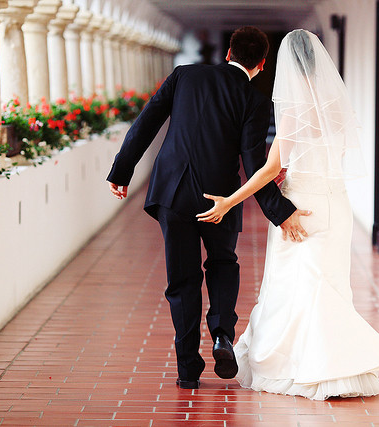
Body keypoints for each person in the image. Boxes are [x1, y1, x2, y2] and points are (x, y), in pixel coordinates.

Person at [197, 29, 379, 400]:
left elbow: (267, 170)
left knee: (294, 283)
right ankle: (337, 363)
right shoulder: (338, 106)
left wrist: (229, 200)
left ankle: (302, 366)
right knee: (330, 282)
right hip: (334, 204)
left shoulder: (293, 112)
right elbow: (333, 158)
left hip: (300, 207)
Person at [106, 26, 310, 390]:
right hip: (219, 198)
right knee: (222, 263)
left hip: (171, 192)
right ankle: (222, 335)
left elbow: (148, 121)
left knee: (182, 280)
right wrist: (280, 211)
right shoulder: (255, 99)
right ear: (261, 64)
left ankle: (187, 369)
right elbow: (255, 161)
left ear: (228, 53)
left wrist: (122, 170)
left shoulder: (185, 75)